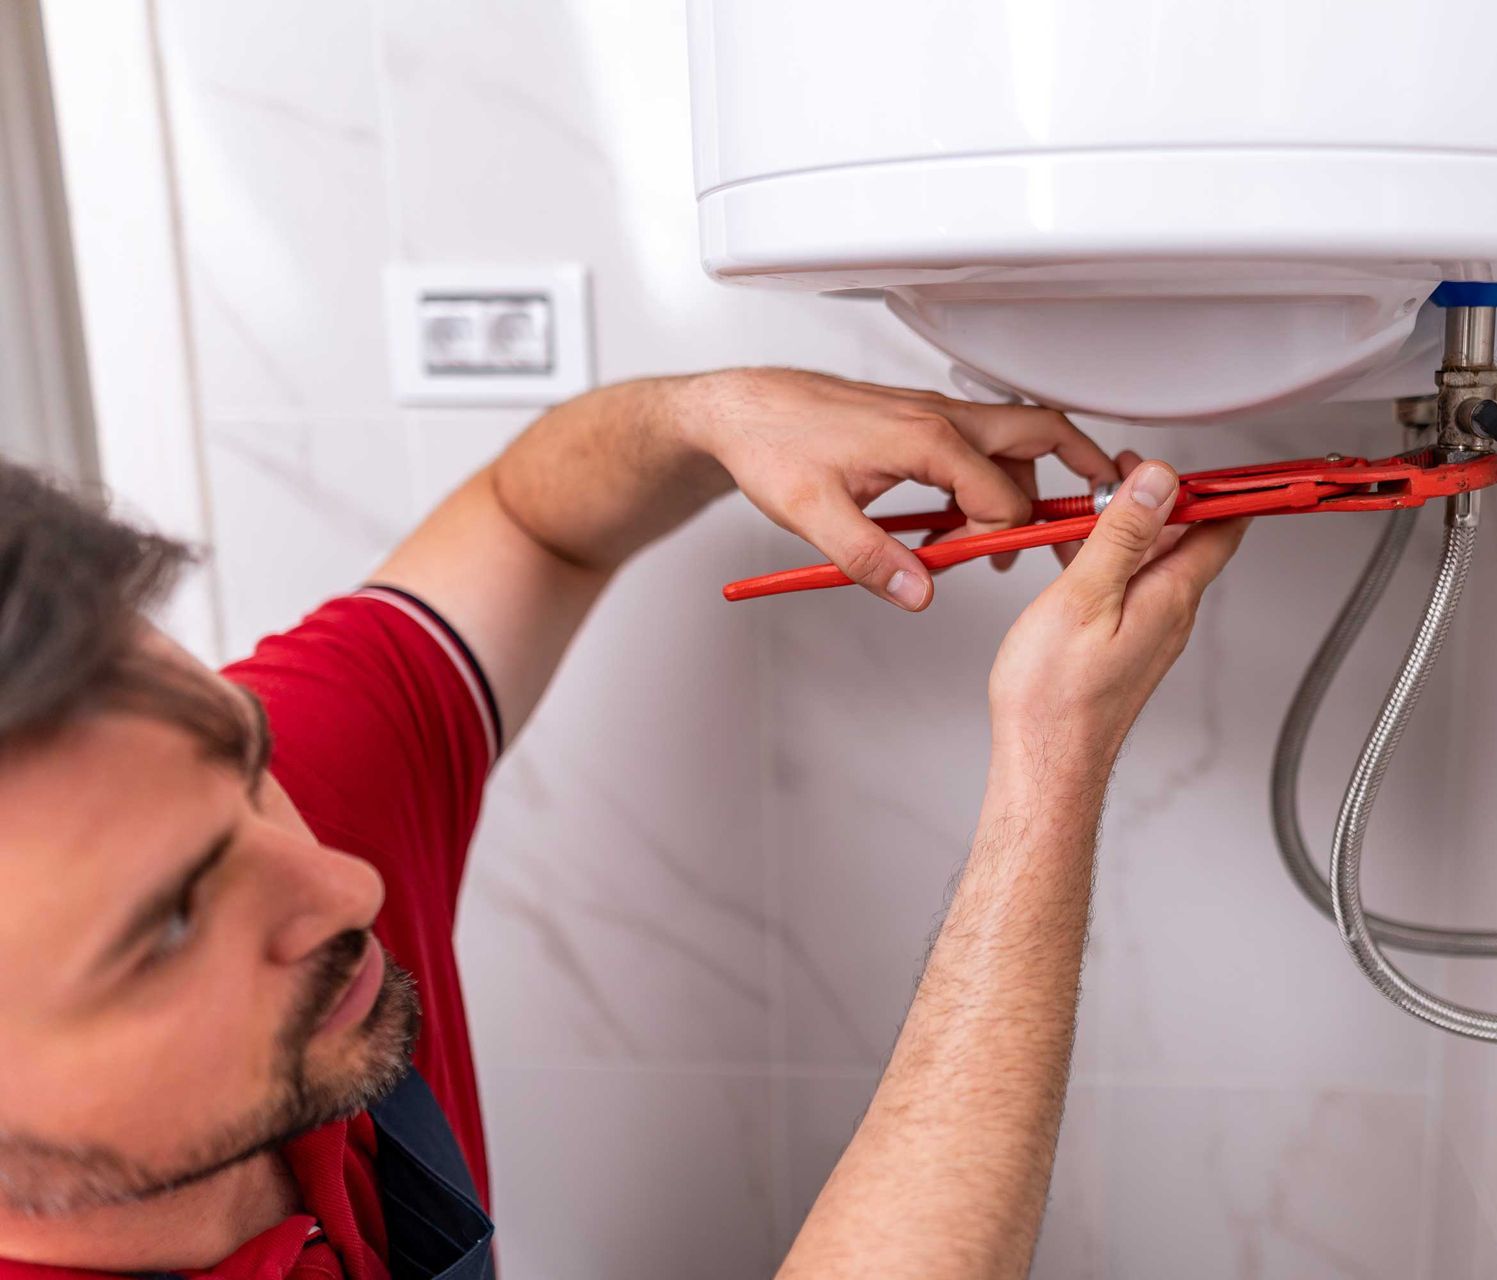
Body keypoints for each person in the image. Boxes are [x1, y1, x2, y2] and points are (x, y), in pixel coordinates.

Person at [0, 367, 1246, 1279]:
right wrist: (1052, 763)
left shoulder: (184, 802)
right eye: (167, 925)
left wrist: (706, 416)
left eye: (252, 757)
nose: (345, 888)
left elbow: (527, 521)